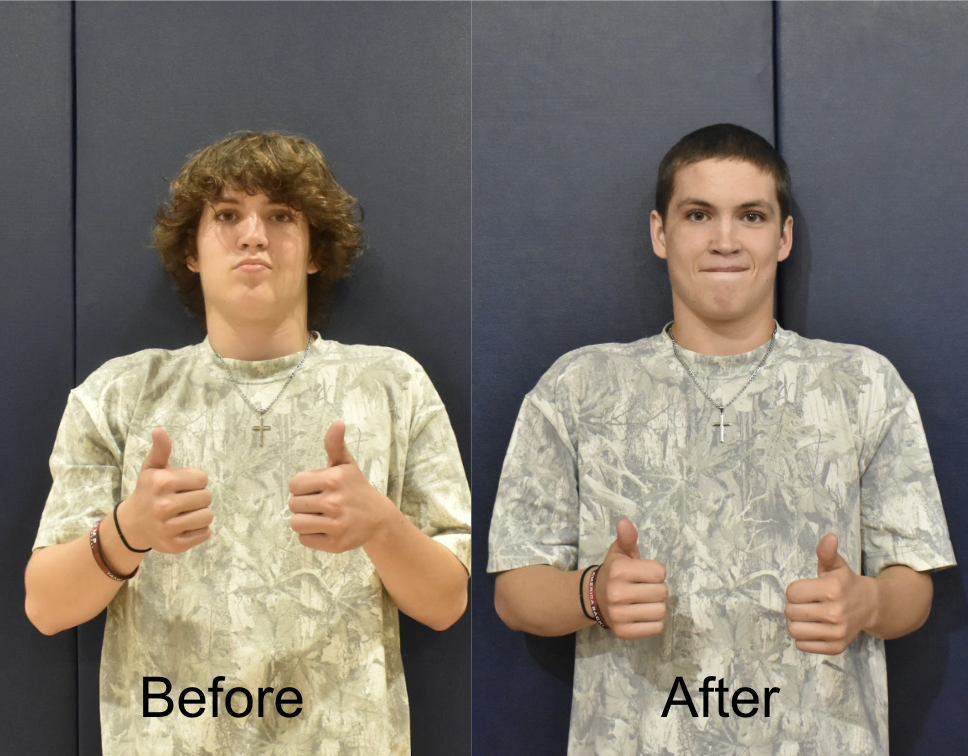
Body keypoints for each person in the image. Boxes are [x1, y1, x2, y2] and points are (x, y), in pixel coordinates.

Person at [488, 123, 955, 755]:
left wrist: (866, 601)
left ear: (783, 236)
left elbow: (915, 589)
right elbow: (516, 592)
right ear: (661, 232)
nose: (726, 239)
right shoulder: (577, 387)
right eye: (699, 214)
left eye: (752, 216)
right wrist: (590, 593)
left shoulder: (864, 383)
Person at [25, 131, 471, 755]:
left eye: (281, 216)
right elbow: (45, 605)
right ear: (192, 251)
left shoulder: (393, 384)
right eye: (228, 216)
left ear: (315, 249)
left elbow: (448, 603)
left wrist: (381, 527)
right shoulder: (119, 395)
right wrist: (129, 530)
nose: (253, 234)